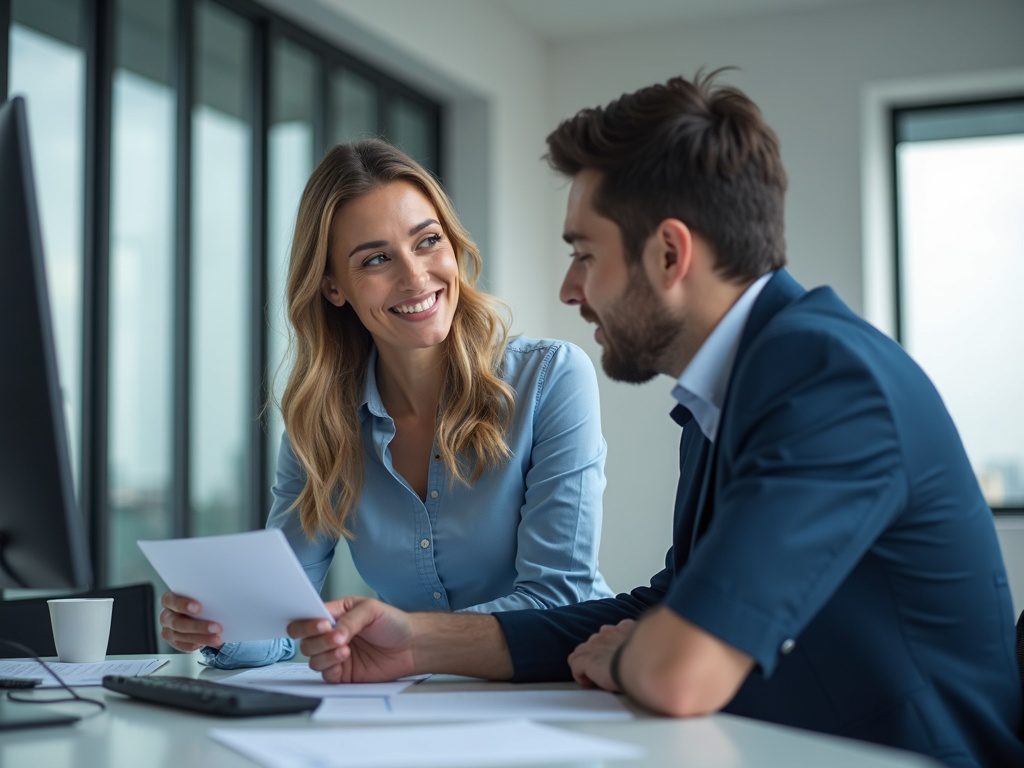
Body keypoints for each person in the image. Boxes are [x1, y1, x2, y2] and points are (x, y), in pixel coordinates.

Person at [286, 73, 1024, 767]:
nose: (571, 289)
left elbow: (677, 671)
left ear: (669, 253)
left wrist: (638, 650)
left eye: (584, 254)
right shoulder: (731, 391)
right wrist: (416, 641)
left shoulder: (827, 379)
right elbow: (665, 607)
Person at [159, 139, 613, 668]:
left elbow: (558, 600)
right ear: (333, 287)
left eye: (427, 241)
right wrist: (219, 624)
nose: (416, 276)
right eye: (376, 259)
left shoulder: (550, 378)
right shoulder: (322, 427)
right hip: (416, 706)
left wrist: (410, 639)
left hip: (559, 688)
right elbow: (285, 620)